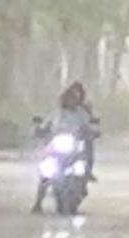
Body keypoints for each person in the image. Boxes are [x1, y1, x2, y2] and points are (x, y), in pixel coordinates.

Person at [31, 81, 98, 212]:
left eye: (73, 99)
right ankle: (38, 201)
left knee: (82, 164)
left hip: (74, 148)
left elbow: (89, 127)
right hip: (56, 148)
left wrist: (93, 131)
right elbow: (45, 126)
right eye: (68, 99)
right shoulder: (55, 114)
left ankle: (80, 186)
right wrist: (38, 130)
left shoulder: (81, 114)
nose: (70, 101)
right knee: (45, 170)